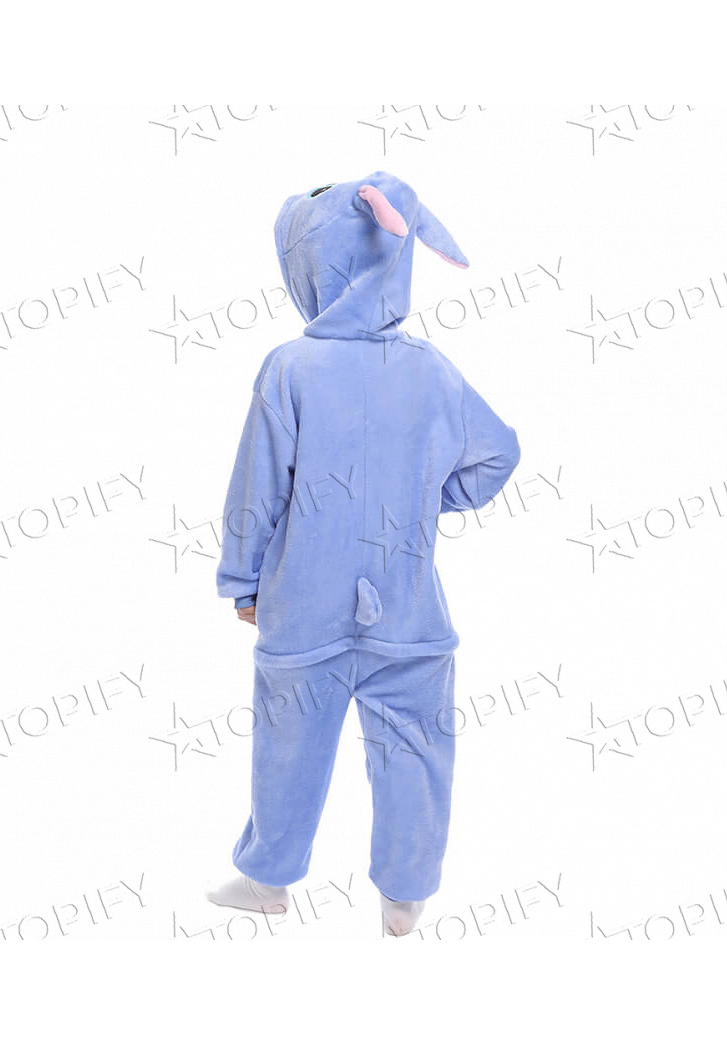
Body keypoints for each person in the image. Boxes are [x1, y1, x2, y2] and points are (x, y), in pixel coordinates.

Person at [209, 172, 520, 936]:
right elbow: (499, 454)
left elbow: (256, 487)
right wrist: (427, 498)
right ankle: (405, 896)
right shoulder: (430, 370)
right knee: (415, 750)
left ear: (315, 271)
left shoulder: (291, 368)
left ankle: (268, 879)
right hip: (408, 609)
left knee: (287, 748)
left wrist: (243, 580)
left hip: (302, 609)